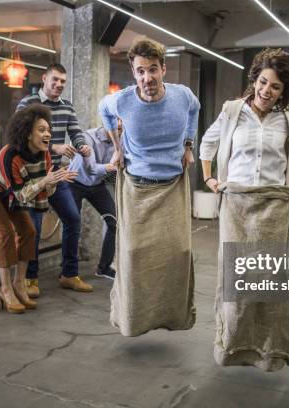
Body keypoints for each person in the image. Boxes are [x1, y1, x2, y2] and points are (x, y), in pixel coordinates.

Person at [199, 48, 289, 371]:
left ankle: (269, 351)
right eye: (263, 82)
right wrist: (209, 178)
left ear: (283, 90)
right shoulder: (233, 111)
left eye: (275, 87)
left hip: (274, 205)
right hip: (236, 205)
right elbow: (208, 143)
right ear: (254, 79)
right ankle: (233, 346)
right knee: (236, 276)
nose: (266, 91)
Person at [98, 37, 200, 337]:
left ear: (164, 69)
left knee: (179, 253)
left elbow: (195, 111)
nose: (147, 78)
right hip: (137, 188)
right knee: (132, 254)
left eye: (153, 69)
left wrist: (188, 145)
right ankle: (133, 320)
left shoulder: (183, 96)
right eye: (140, 71)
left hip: (172, 187)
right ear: (134, 72)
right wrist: (117, 147)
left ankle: (173, 317)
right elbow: (104, 111)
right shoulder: (123, 100)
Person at [0, 105, 77, 314]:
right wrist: (46, 180)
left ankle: (20, 283)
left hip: (8, 189)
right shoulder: (11, 156)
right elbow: (20, 195)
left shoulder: (44, 155)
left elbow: (43, 190)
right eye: (41, 130)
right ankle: (6, 289)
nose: (47, 134)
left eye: (48, 130)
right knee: (4, 233)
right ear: (28, 133)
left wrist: (53, 180)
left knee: (28, 231)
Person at [16, 63, 93, 297]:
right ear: (44, 79)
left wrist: (81, 145)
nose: (59, 84)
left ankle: (69, 274)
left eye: (63, 81)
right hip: (33, 177)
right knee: (34, 230)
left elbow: (76, 131)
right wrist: (54, 147)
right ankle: (30, 277)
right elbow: (20, 138)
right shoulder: (27, 104)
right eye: (55, 80)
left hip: (56, 176)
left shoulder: (66, 107)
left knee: (73, 219)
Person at [67, 124, 119, 280]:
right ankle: (69, 273)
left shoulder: (120, 138)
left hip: (97, 185)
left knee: (114, 222)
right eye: (117, 120)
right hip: (74, 183)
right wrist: (113, 167)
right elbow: (91, 169)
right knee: (73, 225)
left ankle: (103, 268)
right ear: (107, 121)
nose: (121, 125)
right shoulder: (88, 138)